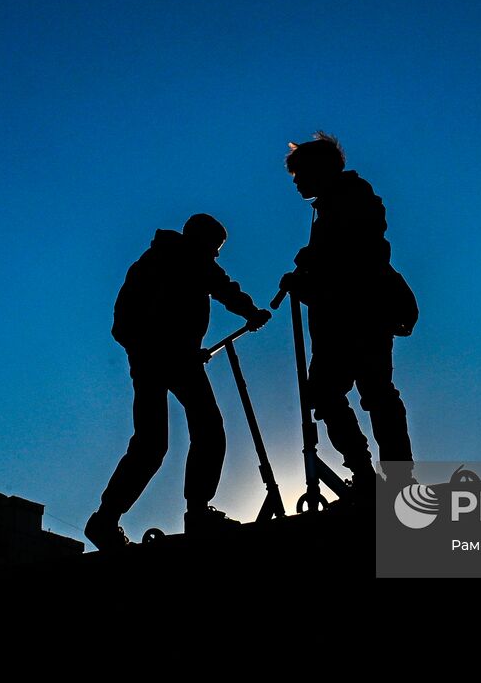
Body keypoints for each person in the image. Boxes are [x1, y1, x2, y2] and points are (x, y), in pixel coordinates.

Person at [86, 213, 270, 550]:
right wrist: (252, 313)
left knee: (154, 442)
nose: (215, 255)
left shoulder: (154, 260)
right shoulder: (188, 258)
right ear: (201, 240)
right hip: (167, 359)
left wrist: (153, 350)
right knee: (206, 429)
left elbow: (124, 323)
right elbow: (223, 287)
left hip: (160, 359)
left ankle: (106, 519)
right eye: (214, 248)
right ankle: (195, 512)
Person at [278, 133, 414, 500]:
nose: (297, 182)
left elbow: (355, 262)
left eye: (299, 174)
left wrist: (310, 266)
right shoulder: (334, 206)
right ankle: (368, 474)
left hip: (359, 316)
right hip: (341, 319)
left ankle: (393, 479)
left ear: (318, 170)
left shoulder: (352, 199)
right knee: (334, 393)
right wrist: (307, 273)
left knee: (373, 393)